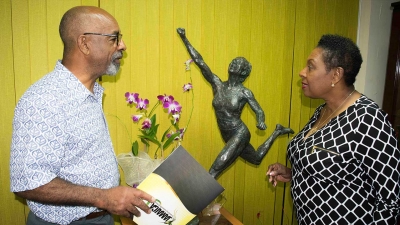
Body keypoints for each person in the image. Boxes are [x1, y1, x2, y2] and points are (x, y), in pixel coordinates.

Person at [9, 6, 155, 225]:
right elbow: (28, 182)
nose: (122, 45)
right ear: (84, 43)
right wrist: (104, 197)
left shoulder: (92, 92)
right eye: (114, 38)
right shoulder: (44, 99)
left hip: (102, 216)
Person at [267, 34, 400, 224]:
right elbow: (333, 167)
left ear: (336, 75)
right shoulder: (323, 110)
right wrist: (295, 172)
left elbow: (391, 200)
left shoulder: (368, 120)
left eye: (311, 66)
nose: (302, 72)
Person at [177, 28, 294, 179]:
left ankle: (195, 199)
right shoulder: (217, 84)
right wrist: (184, 38)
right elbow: (200, 61)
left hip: (239, 133)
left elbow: (258, 110)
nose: (234, 63)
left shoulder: (244, 92)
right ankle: (277, 131)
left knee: (214, 171)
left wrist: (261, 120)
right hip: (226, 134)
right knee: (256, 158)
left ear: (243, 72)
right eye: (233, 61)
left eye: (238, 63)